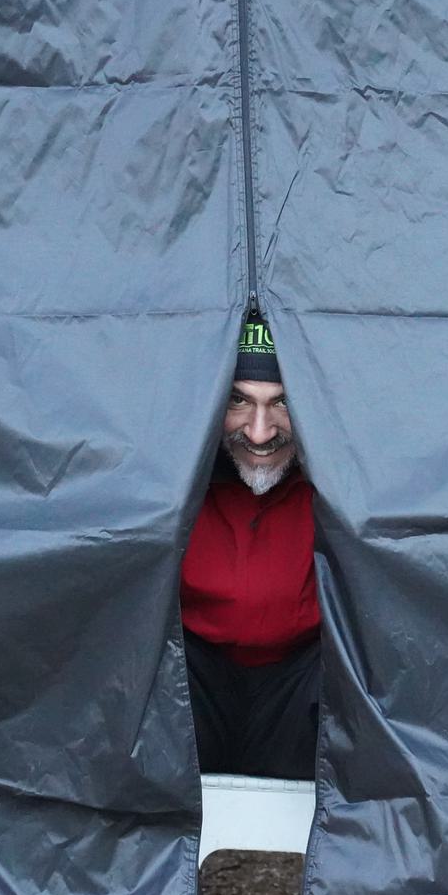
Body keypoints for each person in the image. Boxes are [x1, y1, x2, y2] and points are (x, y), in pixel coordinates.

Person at [179, 316, 321, 780]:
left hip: (307, 675)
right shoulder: (172, 472)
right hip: (191, 671)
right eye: (238, 400)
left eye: (283, 402)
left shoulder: (341, 478)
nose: (260, 433)